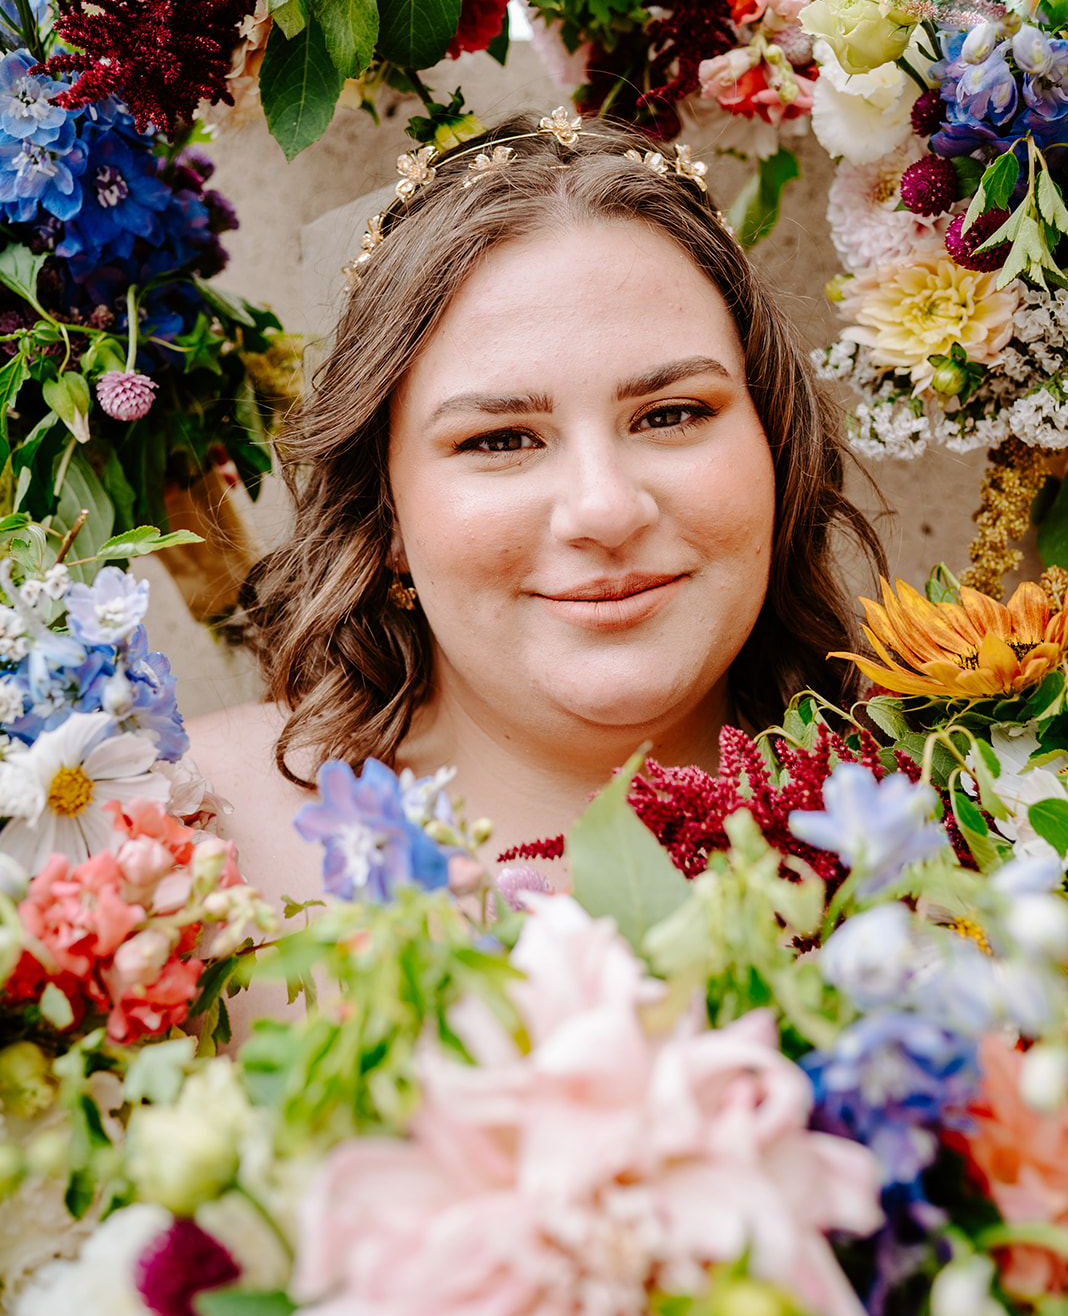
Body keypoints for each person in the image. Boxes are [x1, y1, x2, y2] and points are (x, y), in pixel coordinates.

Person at [187, 111, 884, 907]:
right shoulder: (184, 843)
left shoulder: (981, 823)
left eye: (670, 414)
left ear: (778, 449)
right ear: (384, 517)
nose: (606, 510)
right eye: (500, 439)